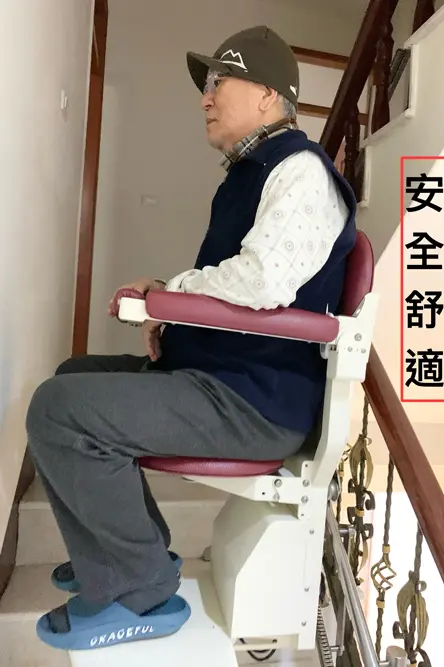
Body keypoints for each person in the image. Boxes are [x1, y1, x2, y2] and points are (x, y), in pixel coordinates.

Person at [26, 25, 357, 651]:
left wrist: (168, 296)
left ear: (268, 94)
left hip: (254, 401)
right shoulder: (252, 172)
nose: (205, 98)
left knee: (58, 410)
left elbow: (262, 280)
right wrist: (170, 306)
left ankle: (140, 588)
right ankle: (123, 554)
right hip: (221, 379)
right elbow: (241, 282)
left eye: (218, 82)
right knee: (72, 378)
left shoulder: (301, 171)